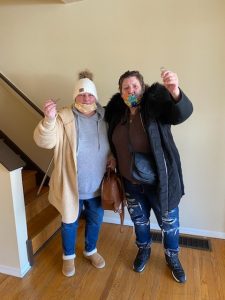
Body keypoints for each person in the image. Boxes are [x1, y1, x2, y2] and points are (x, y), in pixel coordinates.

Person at [104, 69, 193, 283]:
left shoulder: (156, 108)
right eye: (126, 87)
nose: (131, 90)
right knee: (140, 223)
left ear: (142, 88)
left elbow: (180, 114)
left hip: (160, 183)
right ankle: (143, 250)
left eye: (135, 86)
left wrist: (174, 91)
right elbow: (115, 142)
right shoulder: (117, 115)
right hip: (131, 183)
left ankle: (172, 258)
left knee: (169, 224)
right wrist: (113, 157)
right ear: (120, 92)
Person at [34, 70, 113, 277]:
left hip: (98, 185)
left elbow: (114, 143)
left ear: (95, 96)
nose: (86, 98)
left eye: (89, 94)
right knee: (69, 222)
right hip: (71, 186)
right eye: (81, 94)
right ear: (74, 96)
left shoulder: (106, 117)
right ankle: (68, 257)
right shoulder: (62, 117)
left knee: (96, 220)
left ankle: (90, 250)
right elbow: (45, 141)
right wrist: (49, 120)